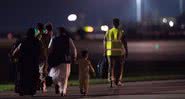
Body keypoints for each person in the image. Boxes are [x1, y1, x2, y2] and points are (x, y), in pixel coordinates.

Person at [49, 27, 77, 96]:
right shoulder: (68, 39)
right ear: (64, 32)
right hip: (65, 59)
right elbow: (73, 49)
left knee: (54, 74)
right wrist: (74, 57)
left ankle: (56, 83)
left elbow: (49, 49)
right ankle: (62, 91)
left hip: (56, 59)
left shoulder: (54, 39)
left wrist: (49, 57)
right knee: (65, 76)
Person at [17, 28, 42, 96]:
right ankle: (32, 91)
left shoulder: (24, 41)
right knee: (34, 77)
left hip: (25, 61)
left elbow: (20, 51)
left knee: (24, 77)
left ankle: (23, 90)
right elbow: (39, 52)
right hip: (34, 61)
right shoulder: (37, 41)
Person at [104, 18, 128, 87]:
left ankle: (111, 79)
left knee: (111, 66)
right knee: (119, 67)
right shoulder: (121, 32)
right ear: (119, 23)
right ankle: (117, 81)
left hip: (110, 52)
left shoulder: (108, 32)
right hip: (119, 53)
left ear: (113, 23)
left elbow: (105, 41)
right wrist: (126, 51)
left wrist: (104, 51)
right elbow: (125, 43)